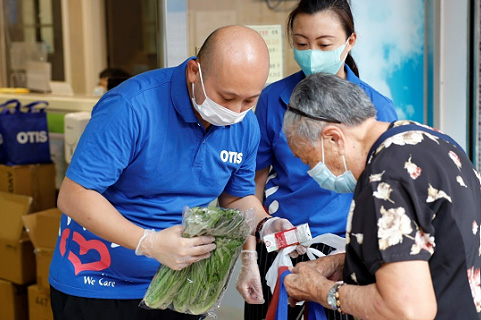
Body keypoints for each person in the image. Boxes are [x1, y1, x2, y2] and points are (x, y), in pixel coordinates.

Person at [49, 25, 297, 320]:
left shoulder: (245, 126)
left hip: (181, 287)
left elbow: (237, 198)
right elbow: (74, 196)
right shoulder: (131, 107)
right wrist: (149, 243)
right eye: (226, 97)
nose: (235, 111)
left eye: (249, 100)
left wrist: (263, 228)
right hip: (100, 285)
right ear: (195, 71)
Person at [236, 1, 398, 319]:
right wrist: (249, 256)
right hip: (282, 246)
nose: (312, 53)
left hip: (348, 255)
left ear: (350, 41)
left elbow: (386, 199)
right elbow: (249, 185)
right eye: (301, 44)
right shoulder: (273, 99)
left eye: (324, 44)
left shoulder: (377, 108)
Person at [282, 72, 481, 319]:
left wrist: (321, 291)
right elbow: (432, 247)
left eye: (309, 160)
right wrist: (343, 262)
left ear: (333, 138)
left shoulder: (383, 181)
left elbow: (407, 310)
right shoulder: (432, 141)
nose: (312, 172)